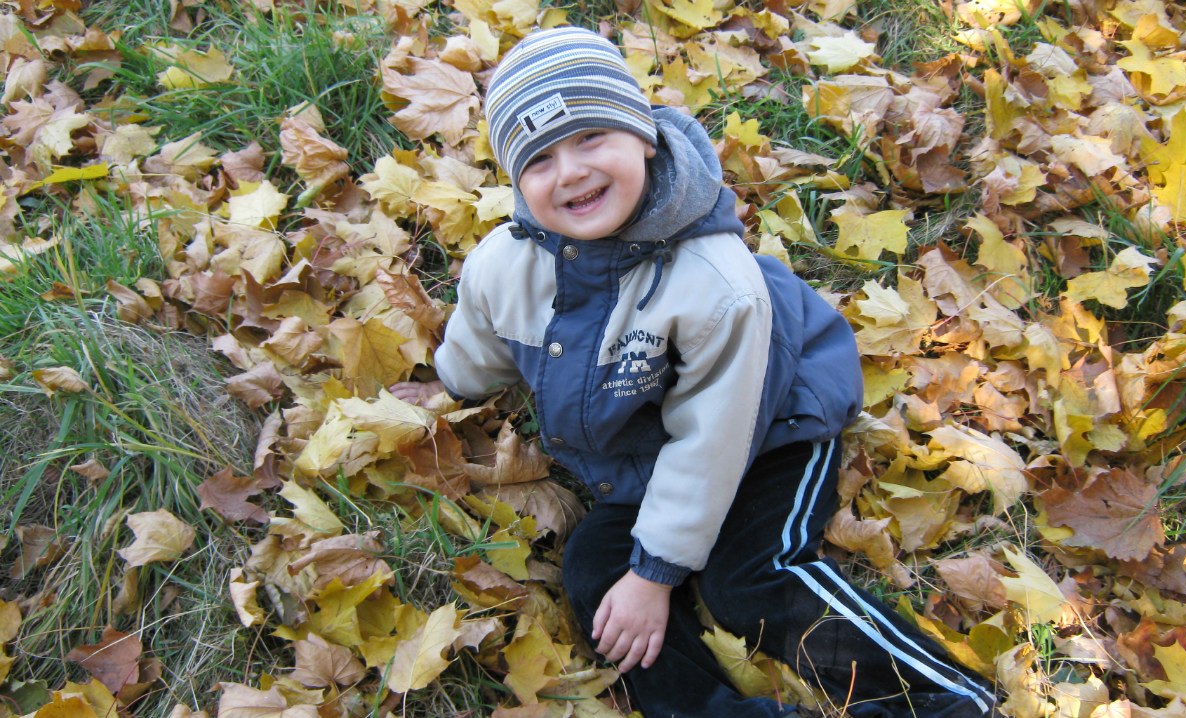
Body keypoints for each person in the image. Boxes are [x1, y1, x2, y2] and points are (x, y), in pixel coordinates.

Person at [392, 26, 996, 718]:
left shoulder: (714, 283)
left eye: (591, 137)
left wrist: (656, 572)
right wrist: (449, 385)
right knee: (595, 571)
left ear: (643, 135)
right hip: (640, 459)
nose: (572, 171)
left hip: (767, 428)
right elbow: (485, 337)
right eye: (540, 158)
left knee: (747, 580)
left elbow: (715, 438)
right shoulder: (505, 263)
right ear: (516, 181)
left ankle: (946, 701)